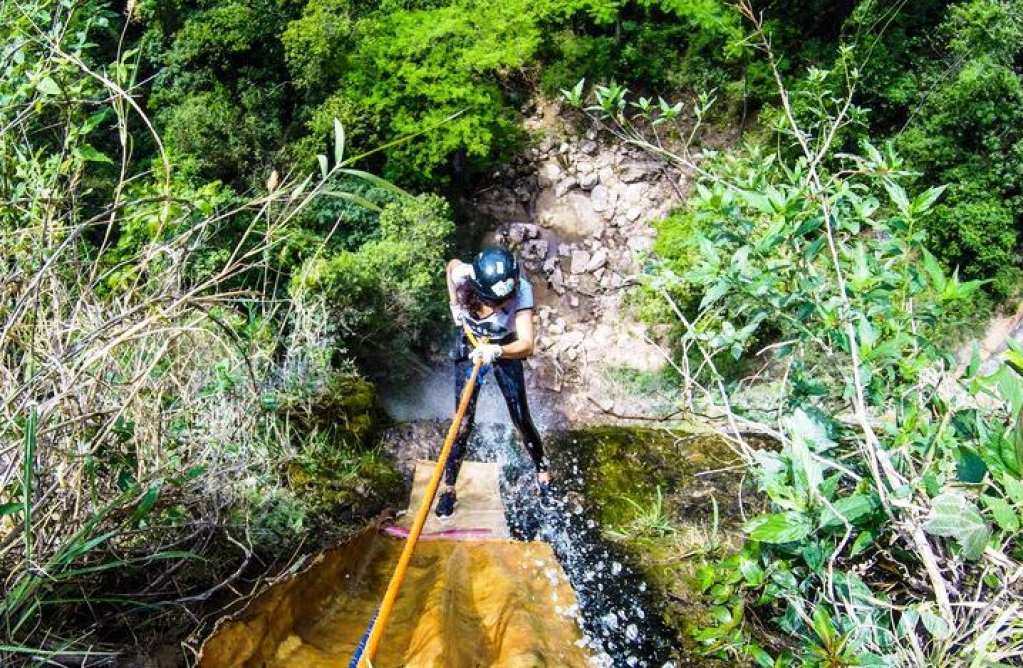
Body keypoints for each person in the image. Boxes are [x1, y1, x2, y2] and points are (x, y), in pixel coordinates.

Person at [437, 246, 550, 517]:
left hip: (503, 347)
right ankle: (449, 488)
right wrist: (454, 304)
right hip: (471, 343)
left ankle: (543, 471)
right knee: (462, 421)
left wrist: (497, 351)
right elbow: (451, 265)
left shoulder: (520, 289)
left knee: (520, 417)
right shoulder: (465, 275)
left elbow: (526, 344)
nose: (499, 306)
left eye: (502, 301)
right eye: (493, 301)